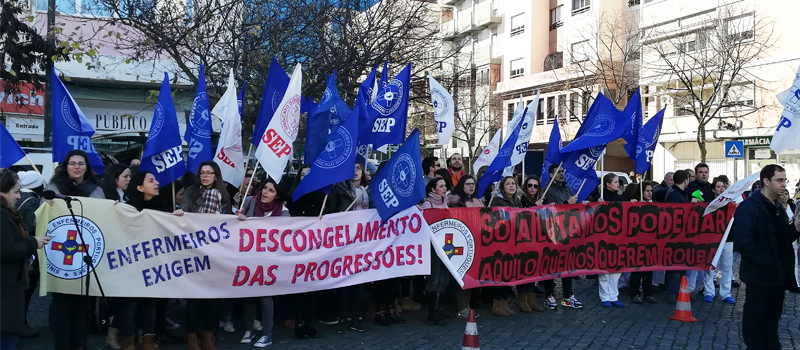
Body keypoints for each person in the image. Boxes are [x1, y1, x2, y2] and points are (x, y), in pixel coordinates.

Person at [44, 150, 105, 350]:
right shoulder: (53, 188)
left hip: (86, 255)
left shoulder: (97, 191)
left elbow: (104, 220)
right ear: (66, 166)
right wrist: (47, 205)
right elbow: (43, 218)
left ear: (87, 167)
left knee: (83, 308)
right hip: (61, 256)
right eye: (72, 163)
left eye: (81, 163)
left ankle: (80, 345)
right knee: (62, 306)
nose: (76, 167)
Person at [735, 164, 799, 349]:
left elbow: (782, 239)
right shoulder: (749, 207)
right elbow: (745, 244)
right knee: (756, 318)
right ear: (766, 181)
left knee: (772, 318)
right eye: (779, 180)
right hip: (760, 276)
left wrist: (795, 228)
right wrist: (769, 262)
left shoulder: (776, 205)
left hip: (777, 277)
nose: (783, 185)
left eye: (784, 180)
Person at [176, 161, 231, 350]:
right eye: (202, 173)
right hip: (194, 251)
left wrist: (237, 218)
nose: (205, 176)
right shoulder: (191, 192)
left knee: (214, 297)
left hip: (216, 252)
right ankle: (192, 336)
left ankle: (209, 335)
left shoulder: (223, 195)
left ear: (216, 175)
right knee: (194, 296)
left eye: (209, 173)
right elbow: (186, 217)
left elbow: (228, 221)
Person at [118, 171, 172, 350]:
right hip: (130, 265)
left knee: (150, 302)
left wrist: (178, 219)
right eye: (151, 180)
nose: (157, 182)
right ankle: (128, 341)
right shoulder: (125, 209)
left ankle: (148, 339)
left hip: (153, 264)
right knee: (129, 304)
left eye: (155, 180)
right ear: (140, 187)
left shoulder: (163, 209)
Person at [1, 169, 51, 350]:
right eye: (15, 191)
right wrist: (32, 242)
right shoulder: (2, 216)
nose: (18, 196)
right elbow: (7, 250)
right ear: (2, 192)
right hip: (5, 289)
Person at [236, 177, 287, 347]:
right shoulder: (250, 203)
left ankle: (267, 334)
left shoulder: (284, 212)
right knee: (249, 296)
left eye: (271, 190)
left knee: (265, 297)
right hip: (249, 259)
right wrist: (238, 218)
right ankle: (249, 329)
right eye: (265, 188)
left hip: (270, 262)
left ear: (277, 196)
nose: (266, 192)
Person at [327, 163, 371, 333]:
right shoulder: (339, 190)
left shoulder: (368, 190)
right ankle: (343, 318)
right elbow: (332, 212)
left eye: (358, 168)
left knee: (360, 282)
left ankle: (356, 317)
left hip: (365, 240)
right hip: (345, 241)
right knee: (344, 282)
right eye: (352, 168)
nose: (355, 171)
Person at [285, 165, 326, 334]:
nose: (305, 177)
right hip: (297, 248)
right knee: (299, 288)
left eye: (308, 174)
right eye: (302, 174)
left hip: (315, 247)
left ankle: (310, 323)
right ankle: (298, 323)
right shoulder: (293, 196)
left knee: (313, 287)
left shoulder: (323, 196)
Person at [540, 164, 583, 310]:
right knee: (551, 264)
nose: (562, 174)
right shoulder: (547, 190)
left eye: (563, 171)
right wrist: (566, 203)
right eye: (558, 172)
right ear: (551, 175)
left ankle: (568, 295)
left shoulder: (567, 189)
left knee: (567, 264)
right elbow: (549, 210)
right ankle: (549, 295)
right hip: (553, 232)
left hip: (567, 231)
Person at [100, 164, 131, 350]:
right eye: (125, 176)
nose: (128, 180)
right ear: (115, 178)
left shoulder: (128, 198)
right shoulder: (106, 198)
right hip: (113, 252)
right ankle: (110, 333)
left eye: (129, 176)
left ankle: (117, 333)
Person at [14, 171, 46, 339]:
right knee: (26, 289)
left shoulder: (16, 198)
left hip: (18, 249)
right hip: (28, 251)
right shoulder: (32, 201)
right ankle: (21, 323)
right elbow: (32, 227)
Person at [447, 176, 483, 318]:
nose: (471, 186)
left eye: (473, 184)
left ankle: (468, 305)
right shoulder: (455, 202)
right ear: (462, 185)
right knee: (462, 275)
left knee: (472, 275)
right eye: (468, 184)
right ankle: (461, 306)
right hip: (461, 242)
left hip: (476, 241)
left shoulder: (477, 200)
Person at [419, 177, 452, 325]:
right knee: (435, 277)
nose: (444, 188)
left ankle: (439, 309)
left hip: (446, 245)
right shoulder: (428, 204)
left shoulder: (446, 203)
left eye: (445, 185)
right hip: (433, 246)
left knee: (444, 278)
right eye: (441, 186)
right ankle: (432, 312)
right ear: (433, 189)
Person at [699, 177, 737, 305]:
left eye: (723, 187)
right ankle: (708, 292)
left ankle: (726, 293)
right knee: (709, 265)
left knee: (726, 266)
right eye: (718, 187)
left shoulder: (731, 203)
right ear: (714, 190)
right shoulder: (709, 203)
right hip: (712, 238)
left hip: (728, 238)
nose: (721, 189)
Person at [487, 176, 520, 317]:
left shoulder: (517, 201)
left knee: (508, 272)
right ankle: (497, 304)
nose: (511, 186)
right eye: (508, 184)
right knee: (499, 272)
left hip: (514, 241)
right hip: (499, 242)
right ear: (503, 187)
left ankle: (505, 303)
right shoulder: (496, 201)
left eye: (513, 183)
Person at [663, 170, 696, 303]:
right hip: (676, 236)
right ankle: (672, 292)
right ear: (685, 180)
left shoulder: (676, 193)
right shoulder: (676, 195)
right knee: (676, 266)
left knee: (679, 265)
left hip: (679, 235)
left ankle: (677, 291)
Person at [597, 174, 629, 308]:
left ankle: (613, 296)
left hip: (619, 237)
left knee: (616, 268)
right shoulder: (600, 199)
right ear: (607, 184)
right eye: (615, 182)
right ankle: (605, 296)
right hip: (604, 238)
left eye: (618, 182)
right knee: (604, 269)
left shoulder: (622, 199)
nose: (618, 184)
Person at [514, 176, 544, 313]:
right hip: (522, 240)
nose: (532, 188)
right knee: (523, 270)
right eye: (530, 185)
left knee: (533, 269)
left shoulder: (543, 201)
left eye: (535, 186)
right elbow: (521, 215)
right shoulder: (521, 200)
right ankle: (522, 300)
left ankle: (531, 299)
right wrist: (534, 208)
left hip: (537, 240)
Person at [625, 182, 658, 305]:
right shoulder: (634, 204)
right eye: (647, 191)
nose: (649, 193)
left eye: (650, 191)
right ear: (641, 192)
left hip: (650, 241)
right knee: (637, 270)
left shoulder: (655, 205)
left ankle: (648, 294)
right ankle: (635, 294)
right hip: (637, 242)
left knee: (649, 270)